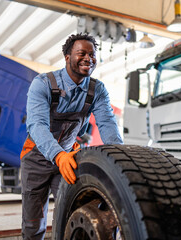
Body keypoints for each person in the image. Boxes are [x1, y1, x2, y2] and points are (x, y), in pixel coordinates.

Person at [20, 33, 123, 240]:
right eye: (81, 53)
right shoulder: (42, 84)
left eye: (92, 54)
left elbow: (107, 124)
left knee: (72, 210)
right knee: (33, 222)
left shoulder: (97, 90)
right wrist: (58, 156)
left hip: (68, 158)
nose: (88, 58)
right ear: (67, 57)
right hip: (37, 157)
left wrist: (120, 157)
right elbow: (37, 125)